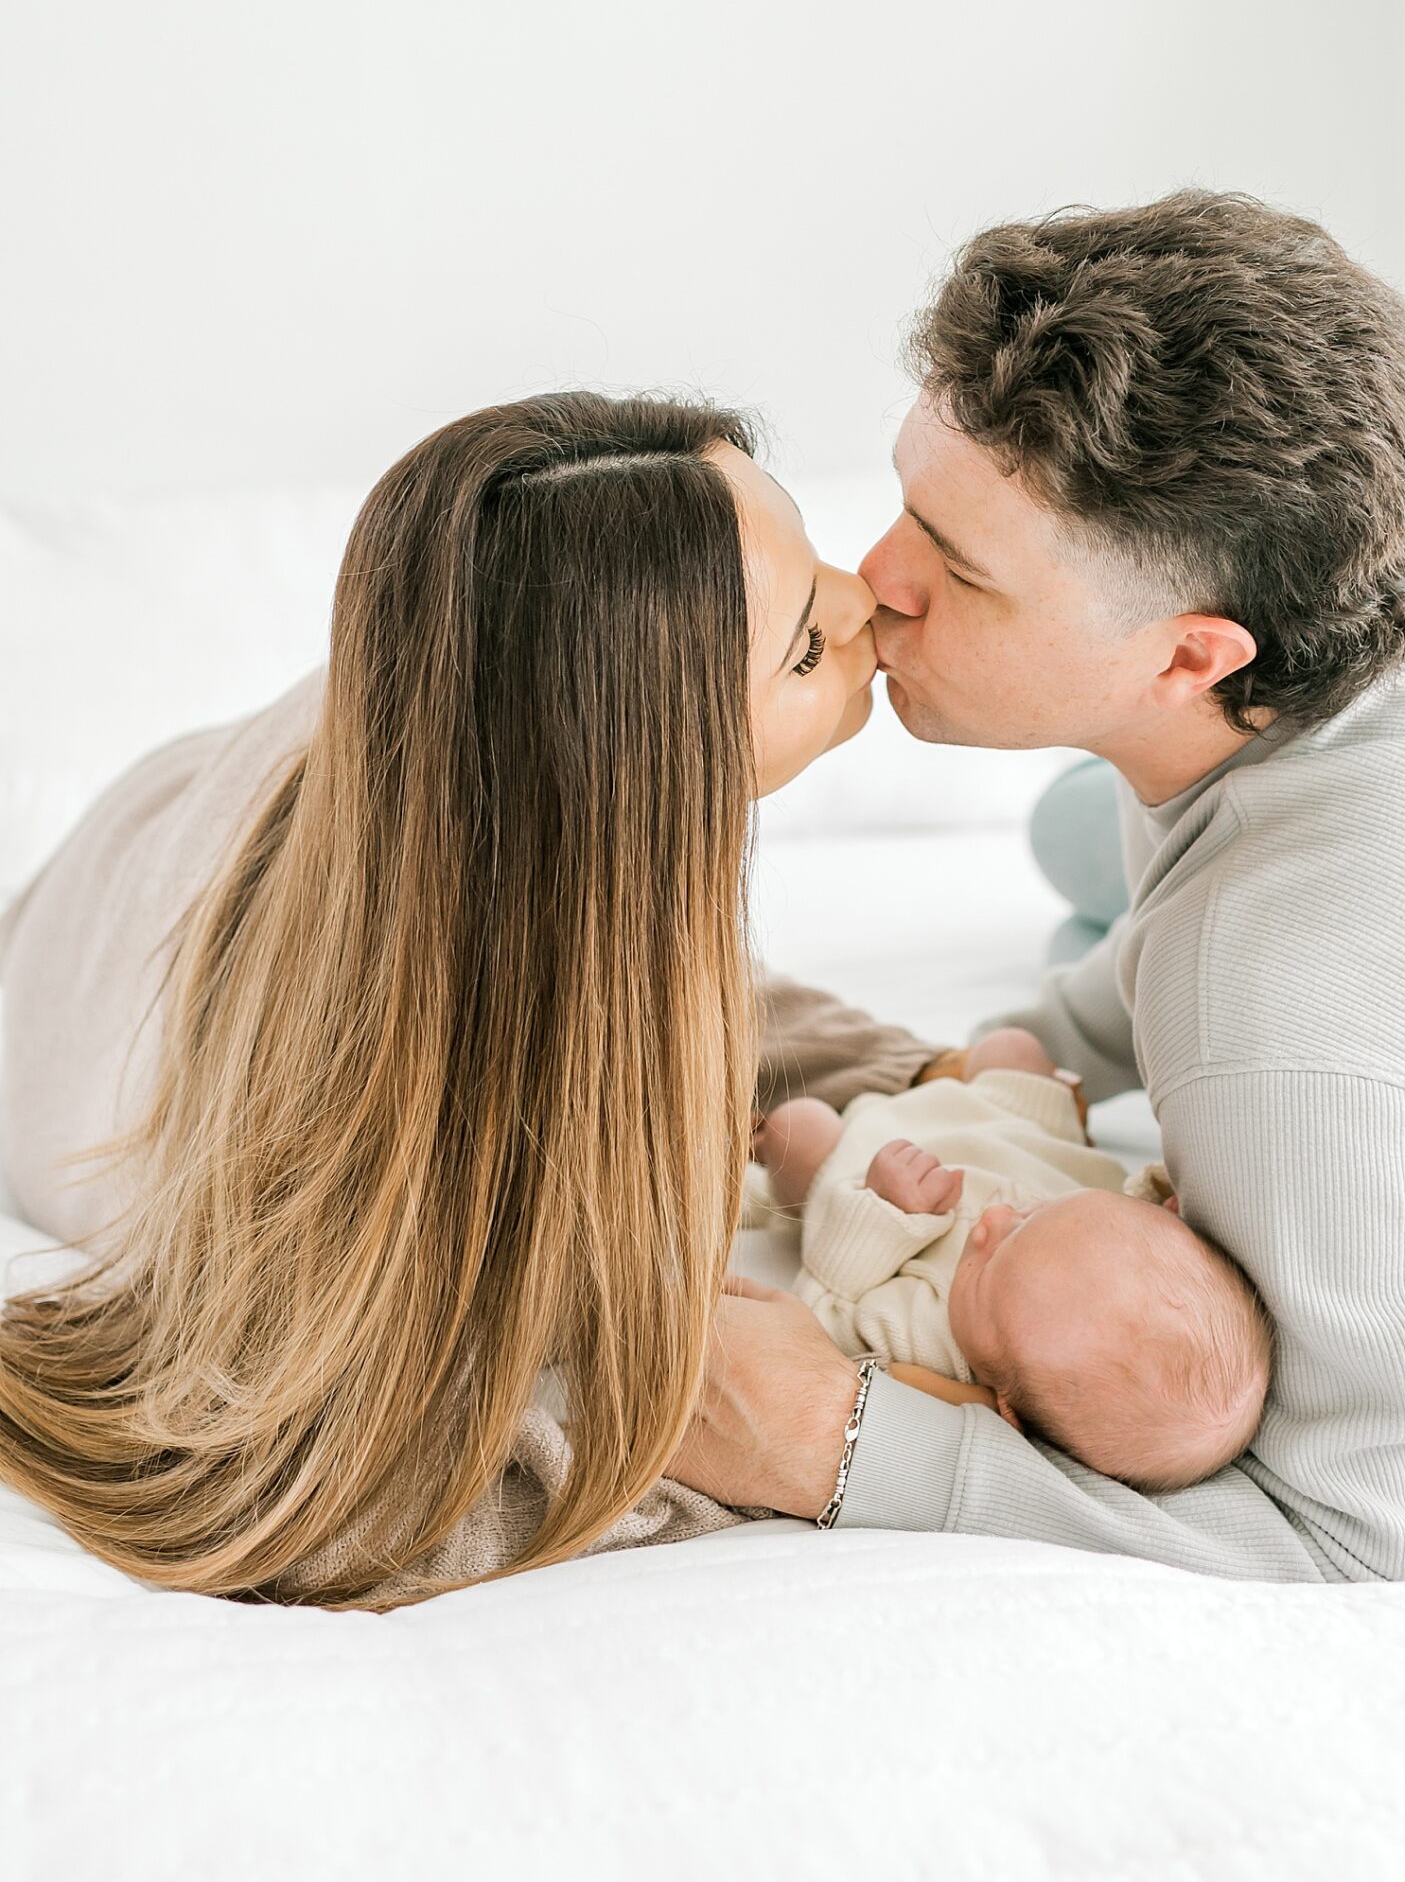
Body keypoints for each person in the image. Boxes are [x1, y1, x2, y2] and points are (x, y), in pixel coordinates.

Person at [672, 193, 1405, 1584]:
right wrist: (1039, 1037)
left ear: (1189, 657)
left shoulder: (1279, 1024)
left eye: (959, 572)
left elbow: (1345, 1538)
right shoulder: (1391, 564)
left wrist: (827, 1438)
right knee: (1062, 845)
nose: (871, 584)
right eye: (906, 504)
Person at [0, 391, 935, 1607]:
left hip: (207, 803)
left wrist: (907, 1072)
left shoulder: (470, 645)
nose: (864, 598)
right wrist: (798, 1442)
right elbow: (335, 1507)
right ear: (639, 768)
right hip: (83, 947)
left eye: (812, 554)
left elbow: (667, 979)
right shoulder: (353, 1082)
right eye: (805, 646)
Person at [752, 1029, 1270, 1492]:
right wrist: (1158, 1198)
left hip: (865, 1162)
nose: (993, 1219)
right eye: (1035, 1216)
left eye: (989, 1261)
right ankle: (945, 1071)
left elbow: (824, 1306)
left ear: (1003, 1403)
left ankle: (780, 1161)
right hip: (1007, 1125)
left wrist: (884, 1211)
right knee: (1014, 1046)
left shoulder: (924, 1345)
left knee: (798, 1126)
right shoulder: (1124, 1244)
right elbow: (1092, 1172)